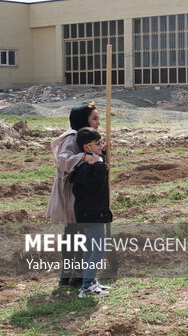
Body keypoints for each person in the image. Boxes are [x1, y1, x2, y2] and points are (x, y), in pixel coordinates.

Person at [47, 103, 101, 286]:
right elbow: (62, 160)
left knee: (77, 233)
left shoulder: (86, 137)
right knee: (75, 233)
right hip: (72, 192)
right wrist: (84, 157)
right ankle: (71, 274)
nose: (98, 122)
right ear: (82, 119)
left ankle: (74, 274)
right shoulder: (72, 137)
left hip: (80, 192)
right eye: (94, 118)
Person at [70, 127, 113, 298]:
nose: (100, 146)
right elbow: (96, 185)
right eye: (97, 144)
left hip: (92, 213)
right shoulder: (84, 168)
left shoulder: (91, 163)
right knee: (98, 249)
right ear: (87, 147)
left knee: (90, 248)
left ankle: (90, 281)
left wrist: (101, 155)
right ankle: (86, 287)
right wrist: (101, 165)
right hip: (91, 214)